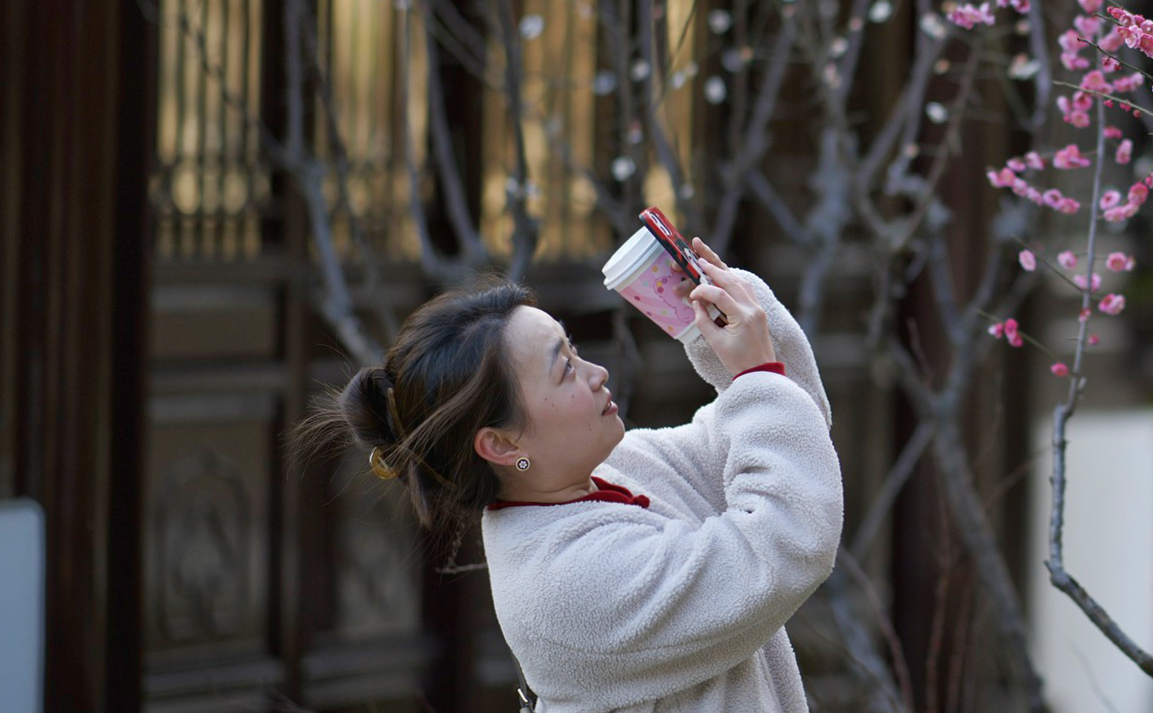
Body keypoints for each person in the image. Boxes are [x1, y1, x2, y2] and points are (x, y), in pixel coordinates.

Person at [303, 238, 842, 713]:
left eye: (576, 352)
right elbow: (786, 539)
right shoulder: (567, 585)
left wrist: (724, 316)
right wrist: (752, 373)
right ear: (500, 443)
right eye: (566, 370)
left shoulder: (617, 470)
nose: (596, 373)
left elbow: (791, 439)